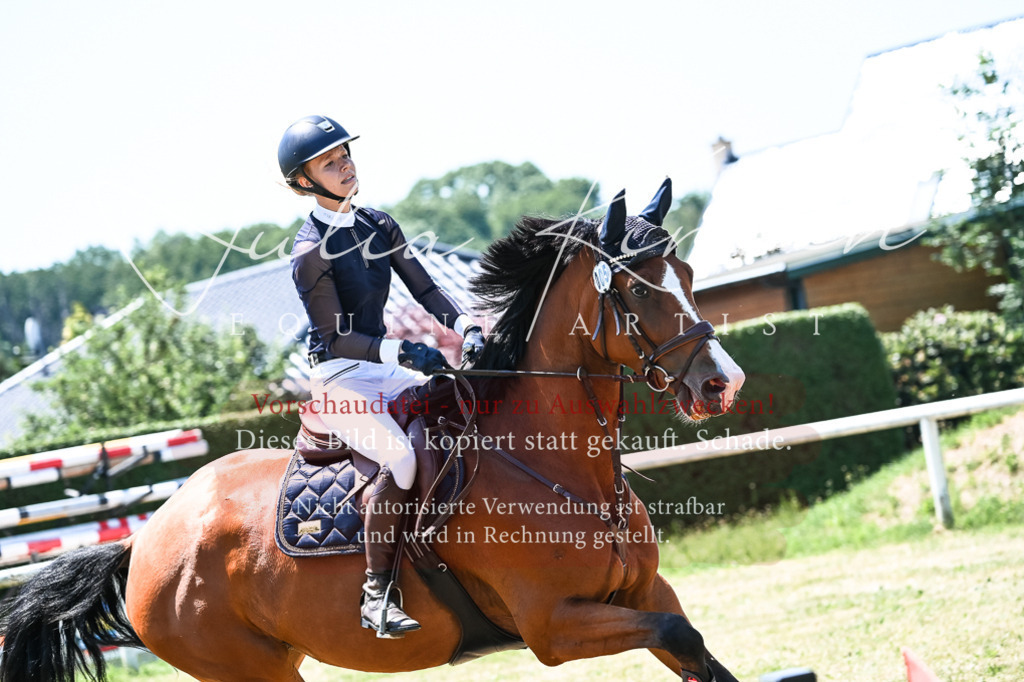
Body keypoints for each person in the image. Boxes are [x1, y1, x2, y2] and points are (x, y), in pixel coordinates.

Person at [278, 115, 485, 638]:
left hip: (382, 365)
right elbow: (337, 335)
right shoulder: (308, 252)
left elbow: (426, 287)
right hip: (339, 376)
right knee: (398, 456)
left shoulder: (379, 224)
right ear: (304, 181)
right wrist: (405, 351)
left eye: (344, 153)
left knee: (464, 404)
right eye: (329, 161)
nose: (344, 163)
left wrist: (465, 324)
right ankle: (377, 594)